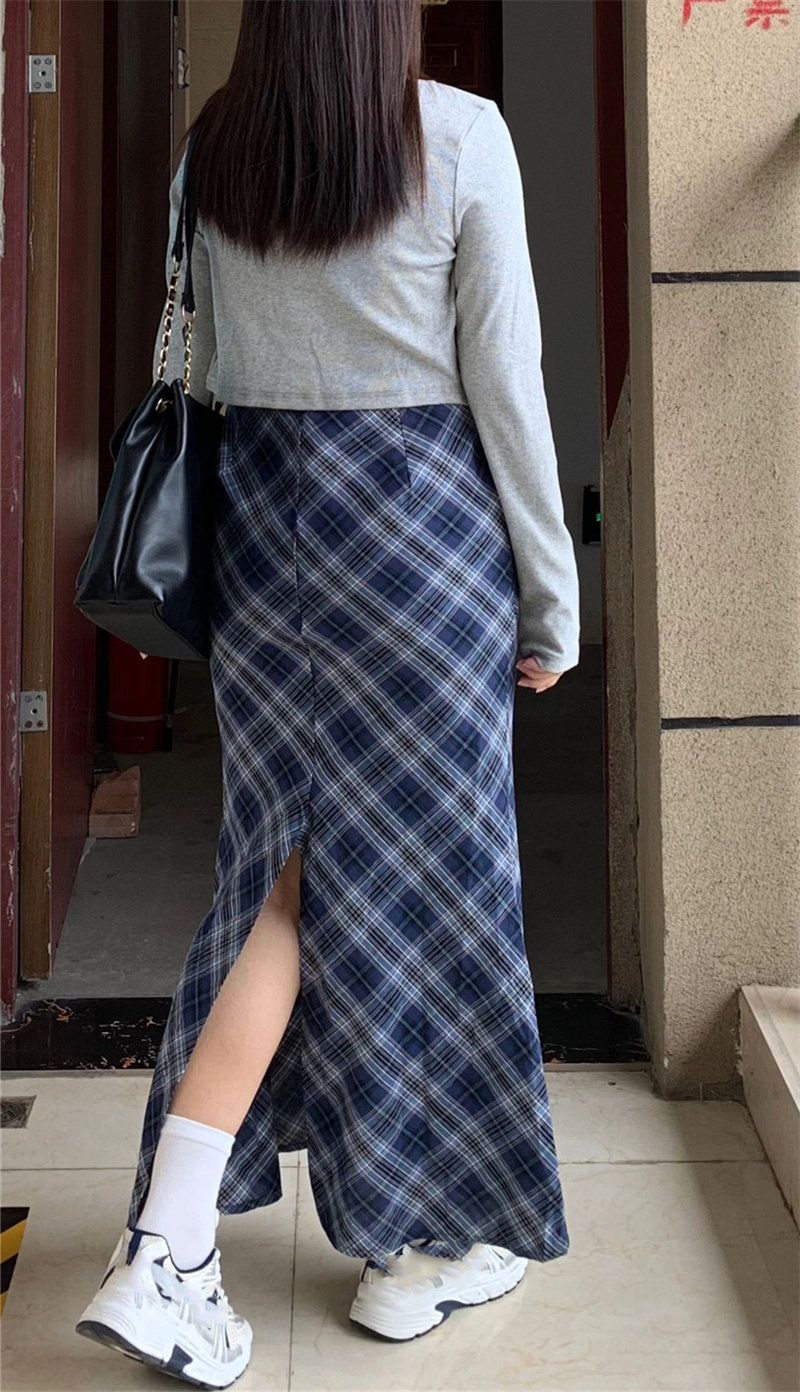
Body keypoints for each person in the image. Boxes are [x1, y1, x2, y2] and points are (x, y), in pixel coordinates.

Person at [76, 0, 580, 1384]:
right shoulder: (460, 138)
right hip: (421, 548)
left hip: (267, 543)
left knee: (278, 883)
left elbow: (208, 367)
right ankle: (414, 1243)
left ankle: (171, 1240)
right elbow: (507, 385)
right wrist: (553, 597)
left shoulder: (217, 149)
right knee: (443, 890)